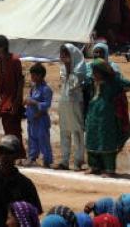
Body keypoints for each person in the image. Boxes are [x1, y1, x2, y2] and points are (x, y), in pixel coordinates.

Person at [85, 58, 130, 175]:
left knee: (106, 141)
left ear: (102, 72)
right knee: (92, 140)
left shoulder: (114, 82)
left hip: (107, 117)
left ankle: (109, 169)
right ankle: (94, 166)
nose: (93, 74)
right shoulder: (93, 83)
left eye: (95, 71)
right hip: (93, 115)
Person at [54, 43, 87, 171]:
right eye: (62, 55)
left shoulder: (79, 68)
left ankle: (79, 161)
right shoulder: (62, 68)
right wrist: (66, 66)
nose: (62, 57)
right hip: (63, 101)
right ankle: (64, 161)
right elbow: (64, 82)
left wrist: (69, 67)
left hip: (75, 101)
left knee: (77, 131)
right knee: (64, 131)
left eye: (65, 55)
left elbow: (73, 83)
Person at [0, 35, 26, 157]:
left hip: (13, 97)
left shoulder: (15, 60)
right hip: (4, 98)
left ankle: (20, 154)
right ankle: (11, 153)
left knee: (15, 128)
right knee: (6, 126)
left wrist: (17, 101)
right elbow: (0, 81)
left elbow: (20, 82)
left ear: (2, 47)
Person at [23, 62, 53, 168]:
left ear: (40, 75)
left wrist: (34, 103)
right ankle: (32, 157)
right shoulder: (34, 88)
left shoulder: (46, 89)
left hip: (41, 119)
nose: (32, 77)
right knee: (32, 139)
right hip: (32, 119)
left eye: (34, 75)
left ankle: (47, 160)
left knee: (43, 139)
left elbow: (47, 104)